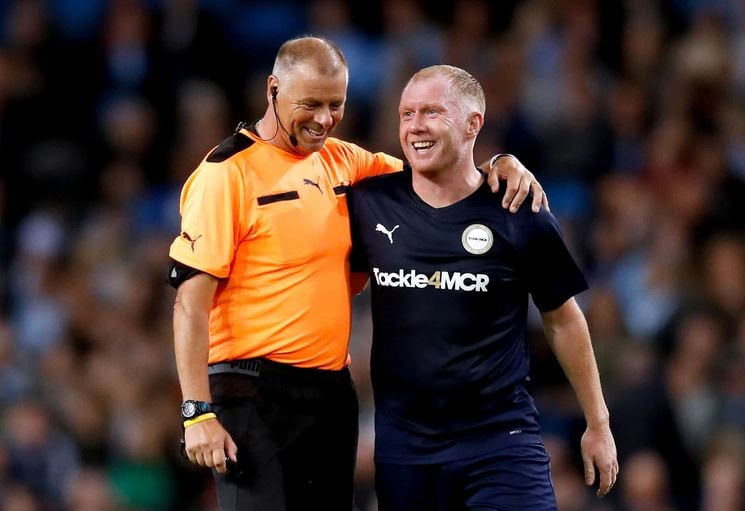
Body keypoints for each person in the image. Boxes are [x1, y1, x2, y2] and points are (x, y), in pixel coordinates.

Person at [167, 37, 546, 511]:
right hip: (251, 393)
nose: (323, 119)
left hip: (329, 396)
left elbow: (440, 172)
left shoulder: (346, 162)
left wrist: (499, 164)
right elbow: (189, 302)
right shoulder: (226, 174)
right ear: (273, 90)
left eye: (336, 104)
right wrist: (196, 411)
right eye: (309, 104)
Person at [347, 65, 618, 510]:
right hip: (406, 449)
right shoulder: (370, 202)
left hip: (499, 442)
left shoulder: (519, 210)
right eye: (406, 114)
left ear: (473, 123)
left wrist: (598, 422)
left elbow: (564, 318)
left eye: (432, 112)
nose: (415, 125)